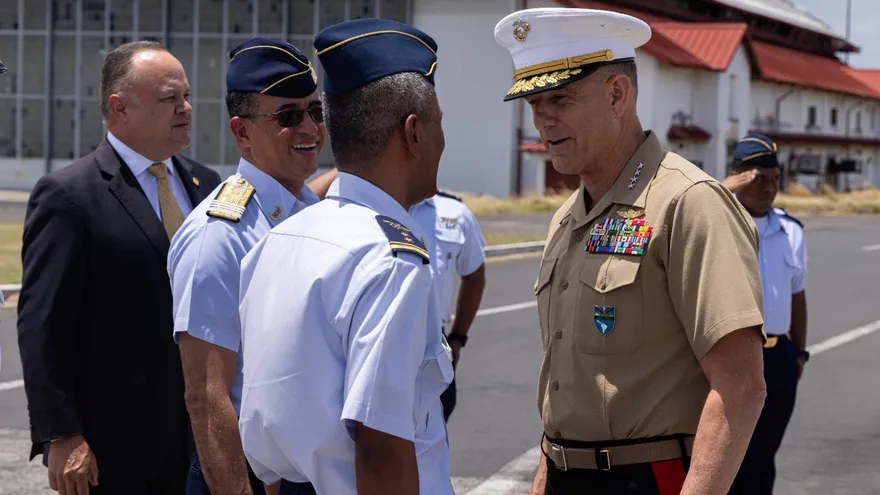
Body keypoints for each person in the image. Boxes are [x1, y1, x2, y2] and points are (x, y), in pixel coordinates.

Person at [494, 8, 767, 494]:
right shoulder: (565, 219)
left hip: (646, 480)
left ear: (617, 94)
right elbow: (566, 390)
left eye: (559, 97)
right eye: (534, 102)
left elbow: (741, 387)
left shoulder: (688, 202)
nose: (542, 118)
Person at [237, 18, 453, 495]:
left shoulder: (280, 239)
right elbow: (380, 448)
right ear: (413, 133)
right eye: (439, 124)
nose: (444, 142)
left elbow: (265, 426)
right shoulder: (393, 261)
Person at [17, 40, 222, 495]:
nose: (185, 108)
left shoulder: (206, 186)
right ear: (120, 107)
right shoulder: (70, 195)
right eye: (169, 98)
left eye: (186, 95)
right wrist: (62, 433)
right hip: (117, 449)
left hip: (203, 439)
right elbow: (43, 324)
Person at [167, 38, 323, 495]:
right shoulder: (219, 235)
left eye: (316, 111)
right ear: (242, 132)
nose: (310, 127)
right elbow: (207, 395)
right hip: (246, 475)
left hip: (312, 469)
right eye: (289, 116)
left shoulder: (310, 207)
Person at [307, 171, 487, 422]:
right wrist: (349, 162)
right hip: (366, 342)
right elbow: (303, 201)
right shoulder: (359, 204)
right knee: (364, 438)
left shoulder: (454, 213)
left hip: (431, 343)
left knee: (430, 439)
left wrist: (458, 338)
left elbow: (474, 274)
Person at [723, 133, 809, 495]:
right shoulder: (717, 222)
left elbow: (797, 294)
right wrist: (722, 190)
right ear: (739, 176)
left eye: (775, 180)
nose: (769, 188)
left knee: (762, 459)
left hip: (777, 358)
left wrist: (799, 353)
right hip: (727, 359)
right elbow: (676, 211)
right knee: (723, 458)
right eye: (760, 179)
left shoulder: (791, 231)